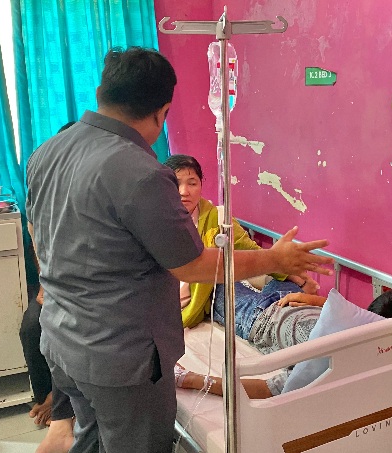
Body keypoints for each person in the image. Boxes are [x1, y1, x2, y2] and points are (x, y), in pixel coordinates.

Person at [25, 46, 333, 453]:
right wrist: (275, 258)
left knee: (92, 436)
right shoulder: (141, 173)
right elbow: (193, 265)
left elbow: (37, 229)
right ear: (162, 112)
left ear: (102, 92)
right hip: (119, 359)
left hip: (62, 339)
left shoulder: (47, 152)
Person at [175, 284, 392, 399]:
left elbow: (269, 389)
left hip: (260, 315)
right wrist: (314, 299)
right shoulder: (361, 325)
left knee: (213, 276)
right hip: (292, 297)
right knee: (274, 268)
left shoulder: (335, 355)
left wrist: (192, 379)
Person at [163, 154, 319, 331]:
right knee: (246, 302)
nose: (184, 191)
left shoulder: (218, 218)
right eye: (176, 183)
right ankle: (285, 321)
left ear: (201, 185)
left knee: (282, 289)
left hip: (211, 290)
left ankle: (299, 316)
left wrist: (302, 281)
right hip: (179, 305)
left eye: (192, 183)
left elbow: (254, 252)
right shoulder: (154, 222)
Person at [19, 122, 77, 434]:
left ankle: (60, 400)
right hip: (55, 282)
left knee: (63, 330)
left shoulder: (93, 189)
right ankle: (45, 398)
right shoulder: (44, 192)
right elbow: (37, 242)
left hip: (83, 288)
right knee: (31, 326)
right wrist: (45, 283)